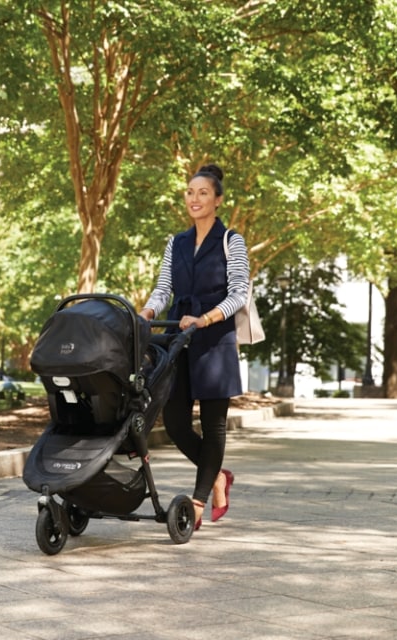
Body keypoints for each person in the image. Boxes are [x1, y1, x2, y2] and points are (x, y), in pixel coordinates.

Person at [139, 164, 249, 531]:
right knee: (174, 423)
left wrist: (206, 318)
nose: (194, 198)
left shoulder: (231, 240)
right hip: (179, 338)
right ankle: (217, 476)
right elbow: (163, 288)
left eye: (203, 193)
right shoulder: (177, 243)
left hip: (215, 339)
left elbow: (239, 293)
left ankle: (199, 500)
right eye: (190, 192)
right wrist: (147, 312)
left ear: (218, 200)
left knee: (214, 425)